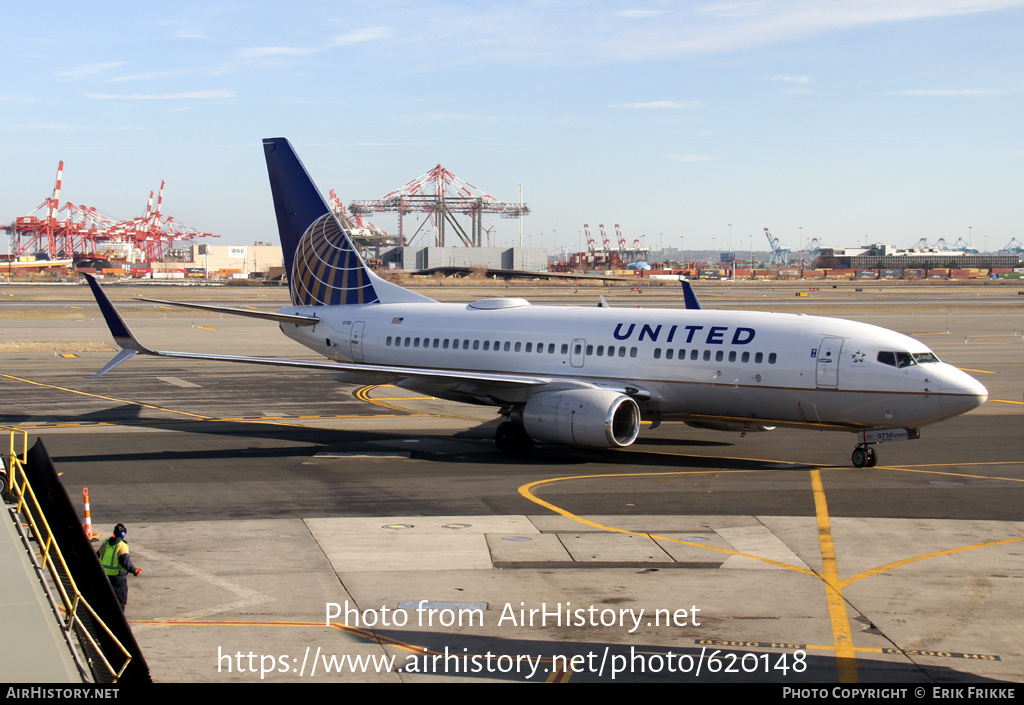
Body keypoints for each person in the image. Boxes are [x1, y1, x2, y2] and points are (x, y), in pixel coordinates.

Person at [97, 523, 141, 611]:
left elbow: (97, 554)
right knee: (120, 600)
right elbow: (125, 562)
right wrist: (134, 571)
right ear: (123, 534)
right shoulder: (122, 545)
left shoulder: (106, 542)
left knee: (106, 599)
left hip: (105, 575)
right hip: (118, 577)